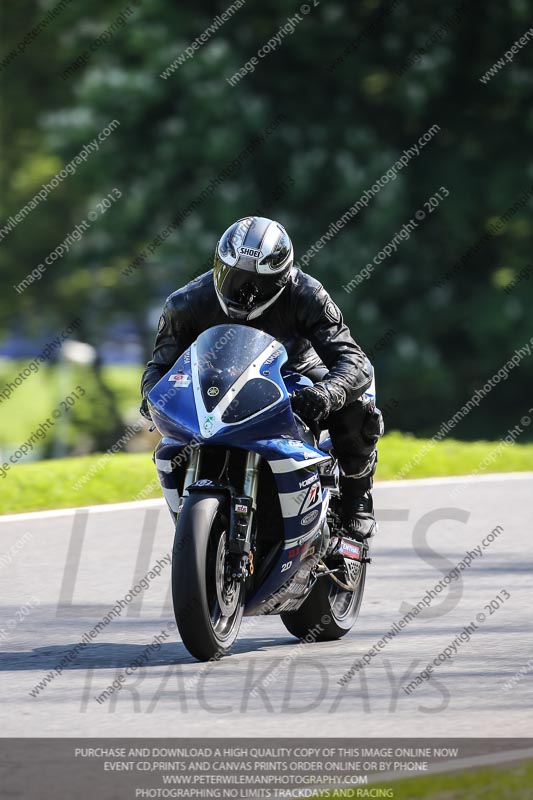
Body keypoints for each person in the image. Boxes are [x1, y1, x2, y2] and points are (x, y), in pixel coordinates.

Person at [140, 216, 383, 541]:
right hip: (221, 380)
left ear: (281, 279)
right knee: (175, 437)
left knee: (358, 410)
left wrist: (328, 393)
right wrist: (152, 398)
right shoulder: (186, 302)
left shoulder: (307, 293)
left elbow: (354, 359)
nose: (243, 293)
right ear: (218, 266)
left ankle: (356, 500)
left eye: (257, 285)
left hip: (294, 375)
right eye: (234, 278)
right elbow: (160, 365)